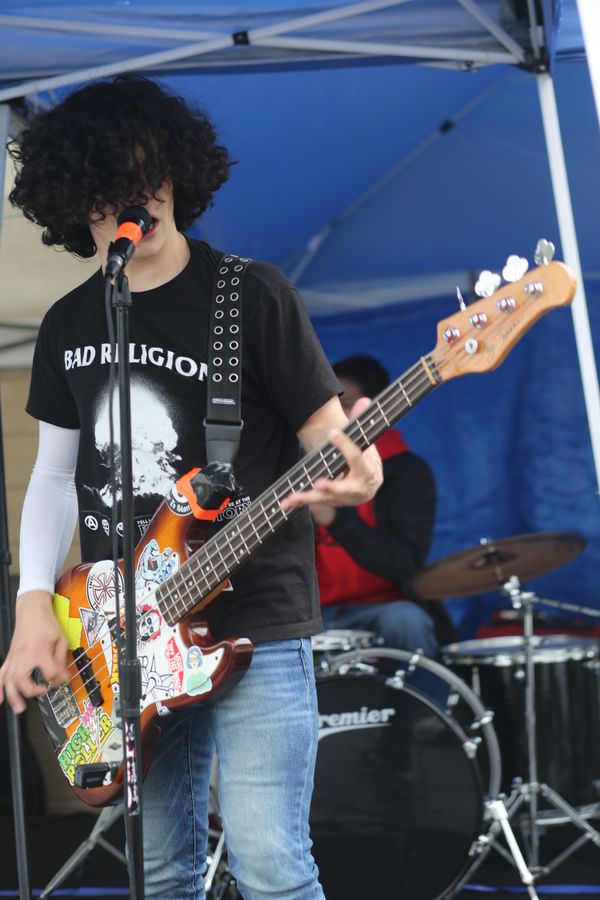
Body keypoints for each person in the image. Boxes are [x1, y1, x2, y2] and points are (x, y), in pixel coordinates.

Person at [0, 75, 382, 900]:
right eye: (108, 188)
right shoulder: (70, 323)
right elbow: (55, 475)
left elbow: (330, 441)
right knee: (161, 872)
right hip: (123, 637)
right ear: (76, 204)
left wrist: (357, 471)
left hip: (256, 617)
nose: (137, 200)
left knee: (271, 866)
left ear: (178, 174)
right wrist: (33, 606)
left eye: (150, 175)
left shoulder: (252, 294)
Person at [313, 354, 455, 658]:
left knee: (407, 620)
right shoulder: (304, 465)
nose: (335, 417)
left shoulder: (407, 472)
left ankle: (420, 693)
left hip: (387, 606)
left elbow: (406, 565)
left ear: (378, 411)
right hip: (314, 615)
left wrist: (335, 519)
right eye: (329, 407)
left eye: (345, 405)